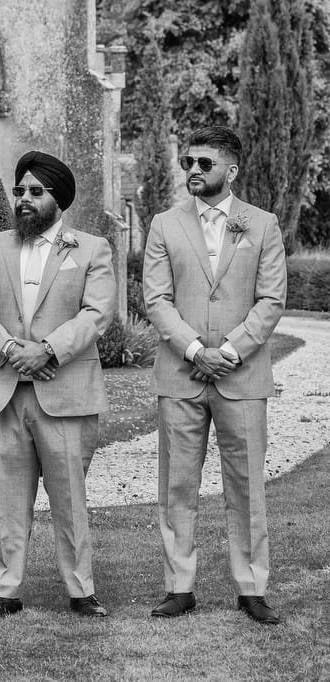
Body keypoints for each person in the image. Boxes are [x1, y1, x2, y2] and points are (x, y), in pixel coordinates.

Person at [0, 151, 116, 618]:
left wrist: (46, 350)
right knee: (9, 496)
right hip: (5, 390)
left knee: (69, 496)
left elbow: (97, 313)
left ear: (58, 198)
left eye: (35, 192)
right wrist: (12, 351)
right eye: (20, 191)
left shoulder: (91, 249)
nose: (24, 199)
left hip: (65, 393)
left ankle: (81, 590)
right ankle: (6, 589)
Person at [143, 125, 287, 625]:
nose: (194, 171)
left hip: (241, 377)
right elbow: (156, 299)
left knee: (245, 486)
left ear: (232, 168)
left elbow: (271, 299)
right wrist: (192, 350)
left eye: (204, 162)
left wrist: (227, 350)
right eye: (187, 162)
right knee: (177, 486)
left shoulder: (262, 224)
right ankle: (179, 587)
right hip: (180, 376)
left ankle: (251, 588)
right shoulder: (164, 224)